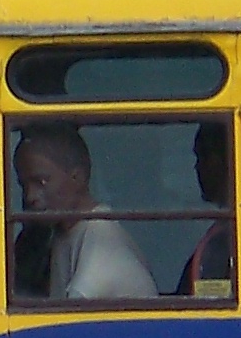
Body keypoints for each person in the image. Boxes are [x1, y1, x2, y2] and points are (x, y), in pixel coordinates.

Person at [13, 124, 160, 303]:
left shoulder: (102, 246)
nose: (30, 196)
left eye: (41, 182)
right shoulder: (62, 232)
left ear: (77, 177)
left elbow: (72, 316)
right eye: (24, 185)